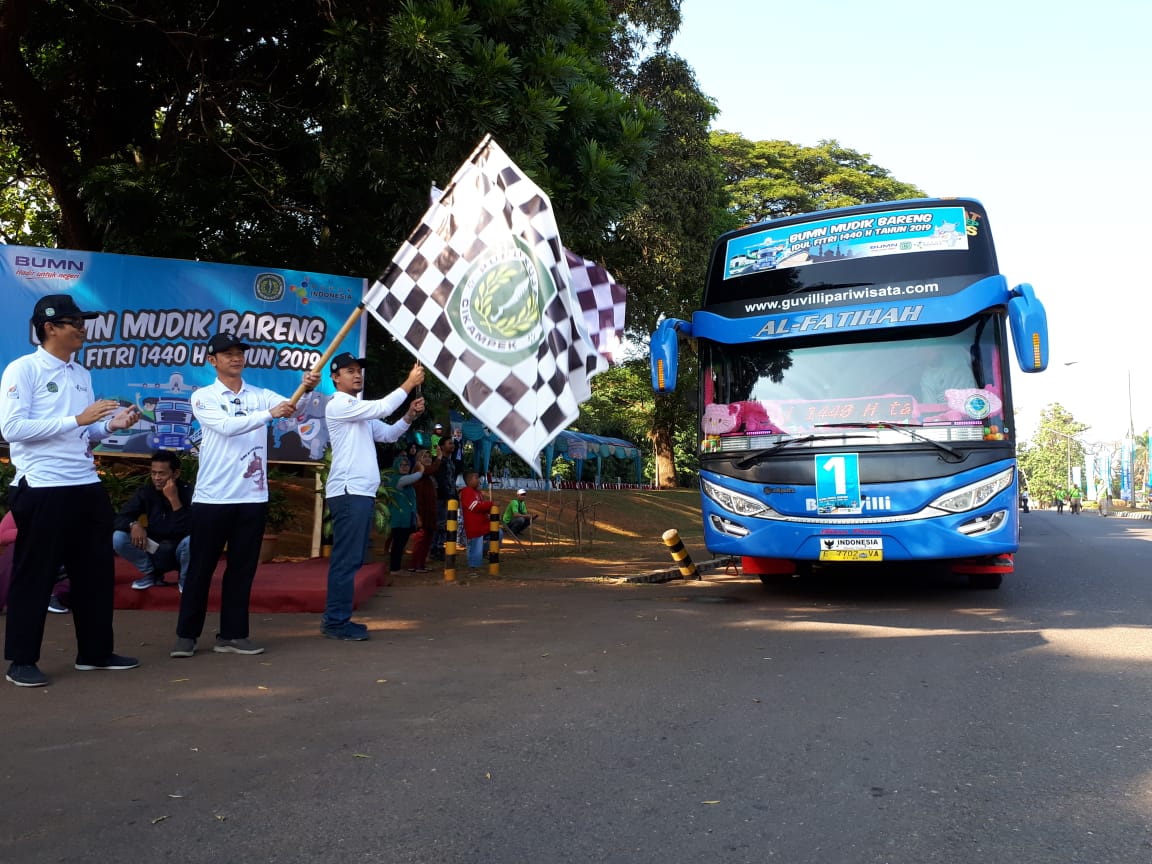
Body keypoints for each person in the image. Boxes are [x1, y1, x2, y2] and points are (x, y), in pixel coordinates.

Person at [0, 294, 141, 687]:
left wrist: (110, 426)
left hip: (85, 485)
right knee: (36, 575)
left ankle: (95, 652)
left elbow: (84, 433)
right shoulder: (22, 369)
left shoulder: (81, 373)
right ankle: (22, 661)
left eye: (83, 321)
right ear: (49, 327)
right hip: (43, 487)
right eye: (74, 322)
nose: (83, 328)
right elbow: (12, 430)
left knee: (95, 573)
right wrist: (76, 417)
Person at [170, 333, 319, 659]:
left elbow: (292, 410)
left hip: (252, 497)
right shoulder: (203, 396)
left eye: (239, 353)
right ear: (213, 360)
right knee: (200, 568)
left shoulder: (259, 394)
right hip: (213, 498)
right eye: (227, 354)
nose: (235, 358)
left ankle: (233, 635)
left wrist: (305, 389)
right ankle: (186, 635)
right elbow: (225, 426)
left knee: (242, 569)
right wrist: (270, 414)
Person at [322, 354, 423, 641]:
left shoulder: (359, 413)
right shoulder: (340, 404)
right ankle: (335, 622)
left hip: (359, 493)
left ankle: (336, 619)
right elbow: (381, 407)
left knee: (350, 558)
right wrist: (409, 383)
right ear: (335, 377)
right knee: (346, 559)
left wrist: (409, 416)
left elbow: (389, 434)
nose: (357, 375)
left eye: (359, 371)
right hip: (349, 492)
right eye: (349, 371)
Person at [114, 450, 193, 591]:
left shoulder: (189, 492)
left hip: (180, 549)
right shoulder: (146, 492)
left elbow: (190, 528)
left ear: (176, 474)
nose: (156, 478)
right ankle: (151, 574)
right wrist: (134, 525)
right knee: (118, 537)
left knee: (192, 540)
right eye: (153, 473)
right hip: (154, 547)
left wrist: (174, 499)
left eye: (161, 473)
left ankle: (185, 580)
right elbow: (120, 517)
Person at [386, 454, 424, 576]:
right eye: (401, 465)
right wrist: (421, 469)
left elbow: (412, 502)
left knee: (401, 543)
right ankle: (395, 569)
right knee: (398, 543)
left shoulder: (405, 480)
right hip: (399, 518)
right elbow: (416, 477)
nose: (404, 467)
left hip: (407, 518)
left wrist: (417, 516)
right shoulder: (398, 479)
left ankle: (396, 568)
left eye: (407, 464)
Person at [408, 449, 437, 573]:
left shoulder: (428, 475)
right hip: (420, 511)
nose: (428, 459)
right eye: (425, 456)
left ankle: (421, 564)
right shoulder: (418, 470)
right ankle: (415, 565)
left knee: (427, 539)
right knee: (421, 538)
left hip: (429, 511)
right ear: (419, 458)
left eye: (430, 457)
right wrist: (439, 458)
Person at [430, 435, 458, 561]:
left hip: (450, 496)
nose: (452, 445)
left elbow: (452, 480)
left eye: (452, 443)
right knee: (440, 523)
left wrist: (455, 494)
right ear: (441, 447)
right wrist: (447, 493)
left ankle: (440, 547)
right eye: (449, 443)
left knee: (446, 523)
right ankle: (435, 548)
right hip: (441, 496)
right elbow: (440, 480)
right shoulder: (438, 461)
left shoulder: (451, 461)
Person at [459, 470, 491, 575]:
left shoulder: (478, 492)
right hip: (474, 526)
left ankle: (483, 553)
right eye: (476, 478)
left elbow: (481, 506)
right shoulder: (467, 491)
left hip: (483, 524)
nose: (479, 480)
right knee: (475, 544)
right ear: (469, 480)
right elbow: (474, 506)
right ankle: (473, 568)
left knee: (498, 534)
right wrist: (490, 504)